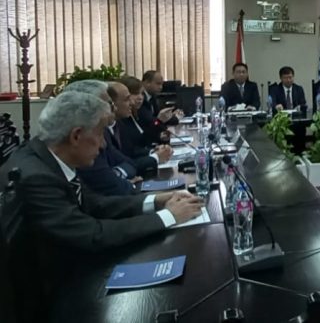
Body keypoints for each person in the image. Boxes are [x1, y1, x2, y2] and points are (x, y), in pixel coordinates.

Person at [0, 92, 203, 318]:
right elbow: (91, 234)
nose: (104, 143)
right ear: (76, 135)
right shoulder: (36, 176)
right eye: (99, 134)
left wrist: (157, 200)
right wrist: (169, 217)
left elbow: (96, 204)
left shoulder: (49, 156)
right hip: (50, 300)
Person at [62, 80, 139, 196]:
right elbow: (111, 188)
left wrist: (115, 174)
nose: (114, 109)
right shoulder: (83, 141)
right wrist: (124, 182)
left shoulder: (99, 133)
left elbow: (130, 164)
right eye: (109, 104)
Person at [110, 79, 173, 175]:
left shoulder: (132, 114)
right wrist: (155, 156)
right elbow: (127, 158)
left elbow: (136, 146)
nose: (140, 98)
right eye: (135, 94)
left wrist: (152, 151)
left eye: (141, 93)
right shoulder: (116, 124)